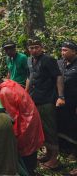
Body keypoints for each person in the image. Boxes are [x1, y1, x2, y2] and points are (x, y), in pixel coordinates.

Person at [0, 69, 44, 176]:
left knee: (24, 151)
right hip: (32, 117)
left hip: (25, 122)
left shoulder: (4, 93)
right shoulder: (11, 83)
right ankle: (32, 170)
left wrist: (9, 137)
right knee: (30, 147)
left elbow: (10, 117)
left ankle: (28, 172)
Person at [26, 39, 64, 169]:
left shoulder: (48, 60)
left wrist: (60, 96)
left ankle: (55, 158)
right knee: (42, 128)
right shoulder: (29, 60)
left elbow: (58, 76)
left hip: (47, 99)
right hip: (34, 99)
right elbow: (29, 77)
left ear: (42, 47)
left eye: (36, 47)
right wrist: (26, 94)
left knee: (50, 128)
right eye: (31, 48)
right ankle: (48, 153)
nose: (34, 50)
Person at [57, 41, 77, 175]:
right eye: (62, 50)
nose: (63, 53)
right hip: (62, 101)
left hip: (74, 103)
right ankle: (65, 148)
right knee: (64, 125)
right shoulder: (59, 63)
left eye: (66, 50)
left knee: (75, 127)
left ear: (74, 52)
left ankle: (75, 152)